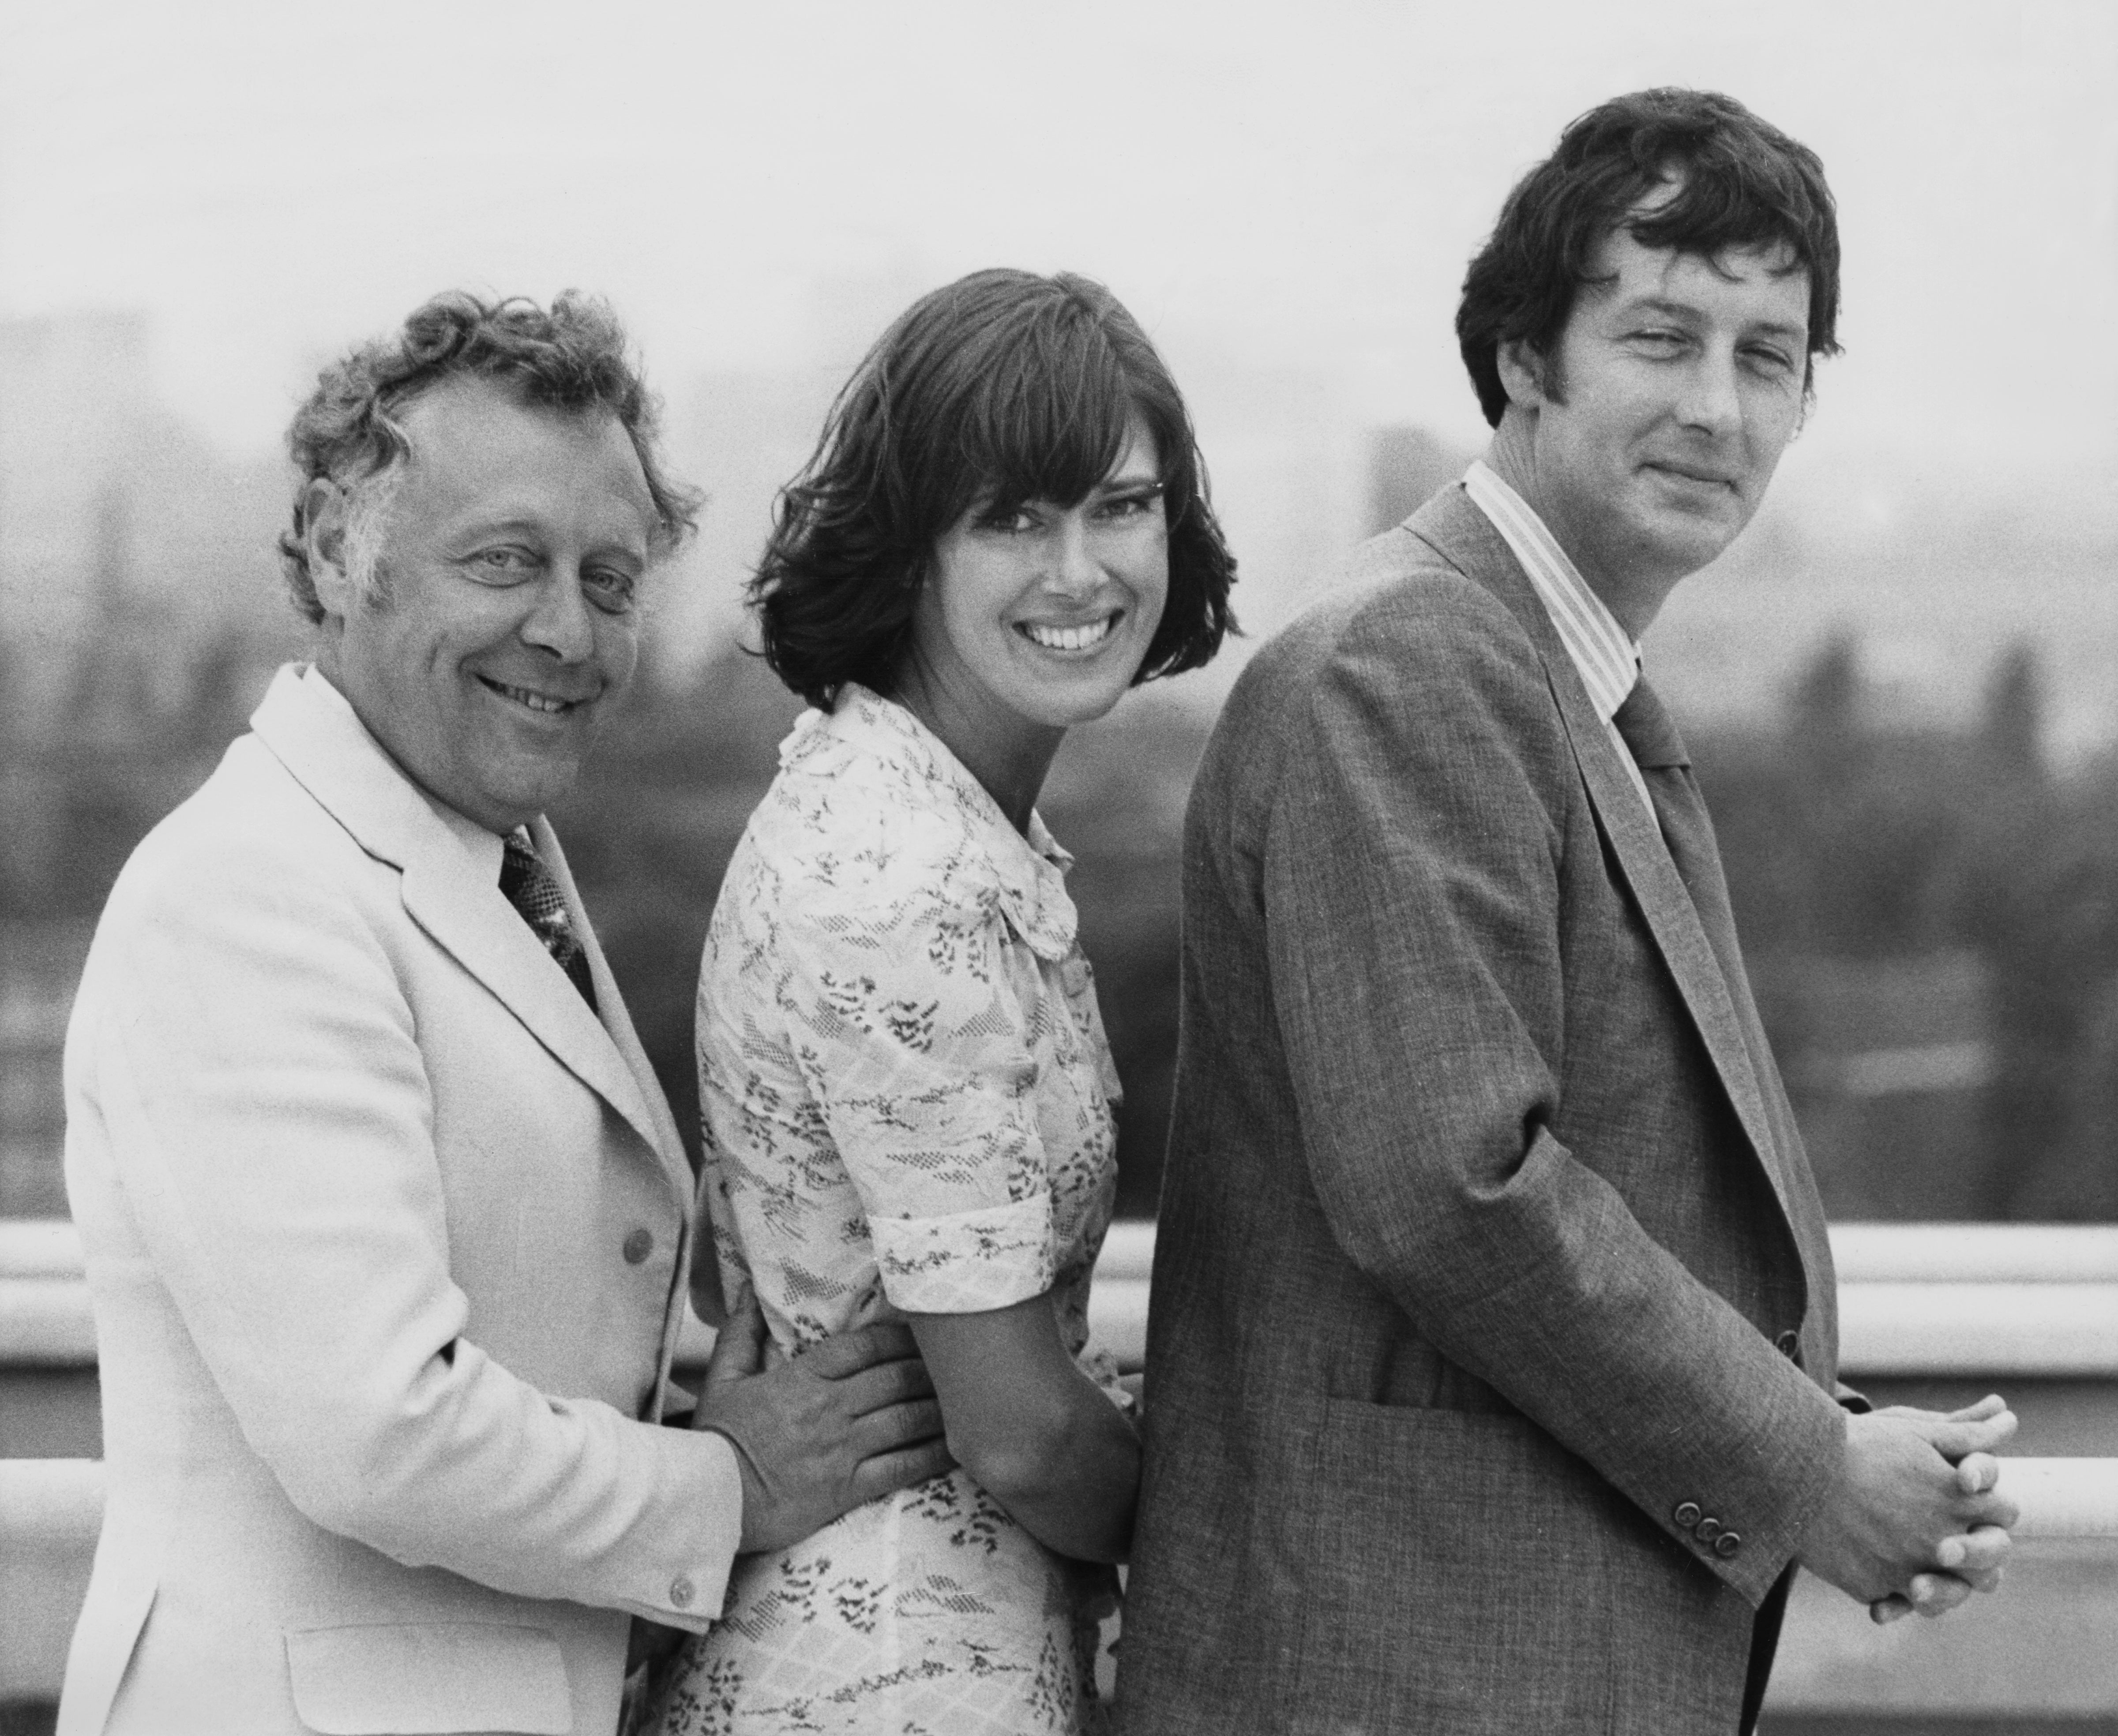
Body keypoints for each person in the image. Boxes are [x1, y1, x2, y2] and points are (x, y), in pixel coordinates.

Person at [1118, 89, 2018, 1736]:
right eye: (1663, 337)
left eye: (1770, 358)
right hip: (1399, 1673)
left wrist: (1842, 1445)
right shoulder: (1410, 662)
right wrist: (1813, 1475)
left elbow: (1630, 1192)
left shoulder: (1573, 685)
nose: (1719, 408)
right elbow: (1458, 1194)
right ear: (1527, 356)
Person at [57, 291, 951, 1736]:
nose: (567, 631)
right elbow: (374, 1430)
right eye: (505, 562)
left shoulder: (491, 856)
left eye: (610, 579)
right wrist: (727, 1485)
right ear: (346, 554)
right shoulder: (247, 894)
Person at [648, 268, 1235, 1735]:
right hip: (892, 1675)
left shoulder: (926, 813)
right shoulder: (898, 881)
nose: (1080, 571)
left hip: (925, 1642)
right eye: (1012, 518)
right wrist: (1241, 1558)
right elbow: (1023, 1433)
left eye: (1119, 505)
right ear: (910, 548)